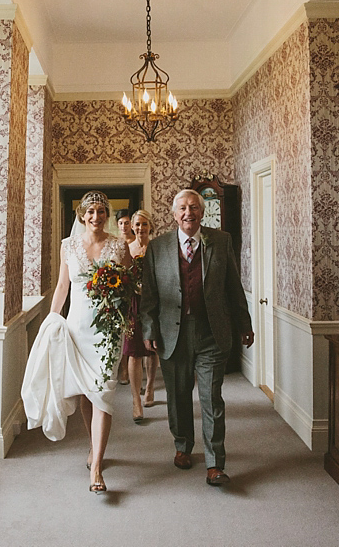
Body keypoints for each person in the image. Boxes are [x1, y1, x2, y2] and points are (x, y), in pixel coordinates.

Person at [140, 189, 254, 487]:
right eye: (182, 208)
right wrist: (149, 329)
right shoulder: (157, 247)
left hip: (211, 333)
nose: (188, 212)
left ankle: (215, 463)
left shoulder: (221, 240)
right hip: (171, 334)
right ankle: (182, 446)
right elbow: (149, 294)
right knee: (177, 398)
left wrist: (244, 322)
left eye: (193, 207)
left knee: (211, 398)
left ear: (202, 213)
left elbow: (233, 286)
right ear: (173, 214)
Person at [21, 191, 131, 494]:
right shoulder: (68, 246)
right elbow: (62, 286)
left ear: (107, 215)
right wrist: (52, 320)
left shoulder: (119, 246)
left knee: (103, 393)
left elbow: (131, 285)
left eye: (102, 211)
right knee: (85, 394)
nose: (96, 217)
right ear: (82, 215)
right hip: (78, 328)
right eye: (91, 211)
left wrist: (124, 315)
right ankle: (95, 447)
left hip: (107, 330)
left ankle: (96, 467)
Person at [123, 209, 159, 422]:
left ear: (150, 226)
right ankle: (136, 400)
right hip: (134, 303)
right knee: (134, 351)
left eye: (144, 224)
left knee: (152, 348)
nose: (140, 228)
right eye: (137, 224)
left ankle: (151, 387)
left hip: (154, 303)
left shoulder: (157, 248)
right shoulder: (127, 248)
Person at [114, 208, 135, 384]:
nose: (124, 226)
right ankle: (123, 370)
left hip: (134, 291)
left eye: (126, 223)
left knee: (132, 332)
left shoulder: (137, 242)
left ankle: (132, 368)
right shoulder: (115, 244)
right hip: (119, 291)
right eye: (121, 223)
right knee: (121, 331)